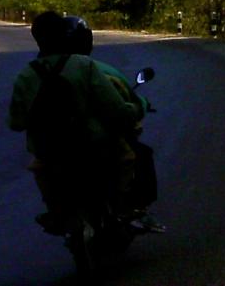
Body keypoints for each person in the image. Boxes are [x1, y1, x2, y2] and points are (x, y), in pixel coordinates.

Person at [8, 11, 142, 235]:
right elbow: (115, 109)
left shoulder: (27, 74)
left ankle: (57, 213)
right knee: (126, 158)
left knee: (41, 171)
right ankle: (121, 208)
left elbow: (16, 123)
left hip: (50, 152)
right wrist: (135, 110)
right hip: (91, 145)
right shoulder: (83, 66)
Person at [64, 15, 165, 233]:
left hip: (57, 144)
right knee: (140, 154)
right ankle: (134, 208)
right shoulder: (100, 71)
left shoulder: (39, 70)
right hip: (96, 141)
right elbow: (123, 107)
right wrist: (141, 105)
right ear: (87, 41)